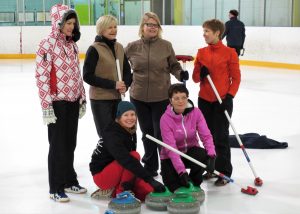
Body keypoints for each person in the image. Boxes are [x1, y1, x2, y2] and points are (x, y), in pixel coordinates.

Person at [125, 12, 189, 177]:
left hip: (160, 96)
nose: (152, 28)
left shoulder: (166, 46)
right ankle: (150, 166)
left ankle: (167, 165)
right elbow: (121, 66)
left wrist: (180, 73)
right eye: (149, 25)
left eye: (155, 25)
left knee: (161, 133)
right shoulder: (132, 46)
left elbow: (174, 65)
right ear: (143, 27)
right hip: (138, 96)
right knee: (146, 133)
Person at [35, 4, 87, 202]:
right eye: (68, 22)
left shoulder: (72, 44)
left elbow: (76, 73)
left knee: (70, 143)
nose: (71, 27)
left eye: (73, 23)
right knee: (57, 145)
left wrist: (82, 97)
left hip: (72, 100)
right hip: (57, 102)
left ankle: (69, 180)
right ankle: (55, 188)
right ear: (58, 22)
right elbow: (41, 76)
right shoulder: (46, 44)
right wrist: (46, 105)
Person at [192, 19, 241, 186]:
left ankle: (224, 172)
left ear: (217, 33)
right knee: (207, 136)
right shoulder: (201, 52)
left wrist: (230, 96)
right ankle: (210, 168)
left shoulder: (230, 53)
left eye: (207, 31)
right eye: (203, 31)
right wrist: (200, 71)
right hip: (205, 100)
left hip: (222, 101)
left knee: (220, 137)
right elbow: (195, 79)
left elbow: (236, 78)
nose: (204, 34)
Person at [89, 101, 166, 201]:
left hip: (119, 169)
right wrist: (150, 179)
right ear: (119, 117)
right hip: (102, 176)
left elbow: (130, 165)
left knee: (148, 190)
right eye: (126, 115)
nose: (130, 118)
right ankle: (122, 192)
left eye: (133, 114)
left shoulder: (128, 130)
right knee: (134, 156)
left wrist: (148, 182)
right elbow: (127, 159)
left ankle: (117, 189)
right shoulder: (112, 134)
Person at [160, 83, 216, 192]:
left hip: (190, 152)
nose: (180, 101)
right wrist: (182, 172)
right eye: (176, 98)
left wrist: (212, 156)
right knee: (174, 187)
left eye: (183, 97)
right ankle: (181, 178)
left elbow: (206, 135)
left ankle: (195, 182)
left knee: (203, 155)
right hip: (171, 157)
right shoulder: (165, 119)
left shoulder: (196, 113)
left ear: (187, 98)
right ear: (170, 100)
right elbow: (171, 149)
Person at [83, 15, 132, 139]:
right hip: (100, 100)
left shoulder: (119, 47)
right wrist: (113, 84)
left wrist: (125, 85)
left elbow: (127, 70)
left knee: (119, 135)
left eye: (115, 27)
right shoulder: (94, 49)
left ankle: (117, 159)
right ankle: (105, 159)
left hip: (117, 98)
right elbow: (87, 76)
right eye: (109, 27)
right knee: (106, 136)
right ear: (101, 29)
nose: (113, 30)